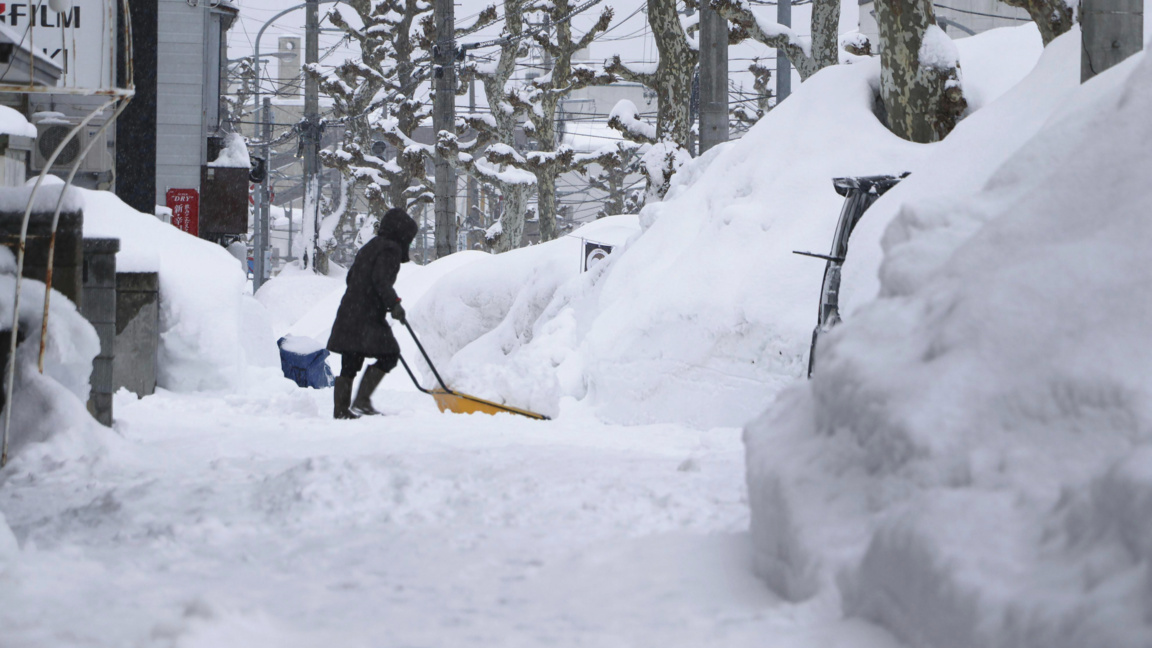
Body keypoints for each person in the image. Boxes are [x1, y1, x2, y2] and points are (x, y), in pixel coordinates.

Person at [326, 207, 419, 419]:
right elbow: (380, 280)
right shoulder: (391, 249)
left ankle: (341, 410)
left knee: (351, 358)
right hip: (367, 315)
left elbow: (351, 277)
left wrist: (364, 297)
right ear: (401, 233)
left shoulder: (371, 246)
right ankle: (362, 401)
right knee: (390, 354)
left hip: (350, 310)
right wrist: (394, 304)